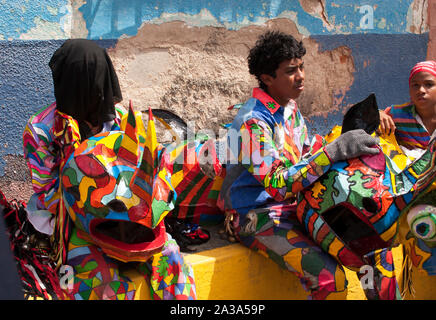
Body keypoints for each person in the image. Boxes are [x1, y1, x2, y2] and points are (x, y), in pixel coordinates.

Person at [218, 31, 380, 300]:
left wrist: (343, 143)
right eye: (291, 70)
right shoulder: (252, 122)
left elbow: (307, 155)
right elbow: (278, 185)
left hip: (297, 209)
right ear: (268, 78)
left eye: (301, 67)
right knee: (331, 279)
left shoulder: (290, 109)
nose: (301, 76)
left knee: (370, 251)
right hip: (255, 216)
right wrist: (332, 152)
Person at [23, 39, 125, 236]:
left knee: (167, 254)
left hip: (118, 214)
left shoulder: (120, 120)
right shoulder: (40, 130)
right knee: (92, 265)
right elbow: (45, 191)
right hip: (62, 219)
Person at [378, 60, 436, 160]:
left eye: (429, 84)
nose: (421, 90)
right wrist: (379, 113)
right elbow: (368, 116)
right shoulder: (399, 114)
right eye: (415, 85)